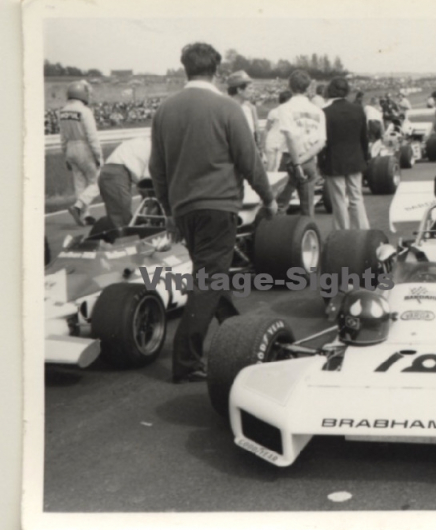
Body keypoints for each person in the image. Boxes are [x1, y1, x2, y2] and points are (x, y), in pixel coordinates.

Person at [149, 42, 277, 384]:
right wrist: (269, 197)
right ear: (217, 71)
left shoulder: (165, 110)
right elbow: (250, 161)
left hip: (184, 210)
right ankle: (187, 361)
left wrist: (169, 209)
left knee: (211, 274)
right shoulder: (226, 108)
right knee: (207, 280)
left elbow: (157, 168)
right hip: (218, 206)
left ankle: (238, 334)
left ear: (184, 69)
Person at [274, 69, 327, 216]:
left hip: (290, 159)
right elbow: (321, 142)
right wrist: (303, 160)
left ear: (290, 86)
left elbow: (290, 137)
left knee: (280, 204)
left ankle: (277, 237)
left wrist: (296, 163)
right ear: (308, 87)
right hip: (309, 160)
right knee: (308, 207)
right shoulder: (318, 111)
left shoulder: (284, 108)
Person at [321, 77, 370, 230]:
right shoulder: (358, 109)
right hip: (355, 158)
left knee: (339, 199)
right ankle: (363, 230)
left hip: (334, 159)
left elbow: (323, 141)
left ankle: (342, 232)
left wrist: (321, 164)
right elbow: (364, 137)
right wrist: (365, 156)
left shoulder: (325, 112)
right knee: (356, 197)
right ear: (347, 91)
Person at [58, 80, 103, 226]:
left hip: (70, 147)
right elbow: (92, 136)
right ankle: (78, 207)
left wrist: (65, 154)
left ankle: (85, 215)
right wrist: (99, 156)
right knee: (97, 181)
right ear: (82, 94)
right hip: (84, 147)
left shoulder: (63, 111)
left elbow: (62, 137)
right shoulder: (85, 111)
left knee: (79, 183)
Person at [97, 136, 151, 229]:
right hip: (117, 173)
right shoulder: (157, 148)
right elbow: (148, 185)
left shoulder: (143, 141)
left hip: (108, 171)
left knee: (120, 218)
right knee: (122, 222)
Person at [227, 70, 260, 150]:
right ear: (239, 90)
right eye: (250, 88)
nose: (253, 91)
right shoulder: (226, 109)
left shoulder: (248, 108)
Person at [263, 89, 291, 171]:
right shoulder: (291, 112)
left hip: (271, 140)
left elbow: (266, 128)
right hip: (283, 142)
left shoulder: (273, 111)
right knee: (278, 167)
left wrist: (262, 144)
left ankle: (269, 183)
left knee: (270, 166)